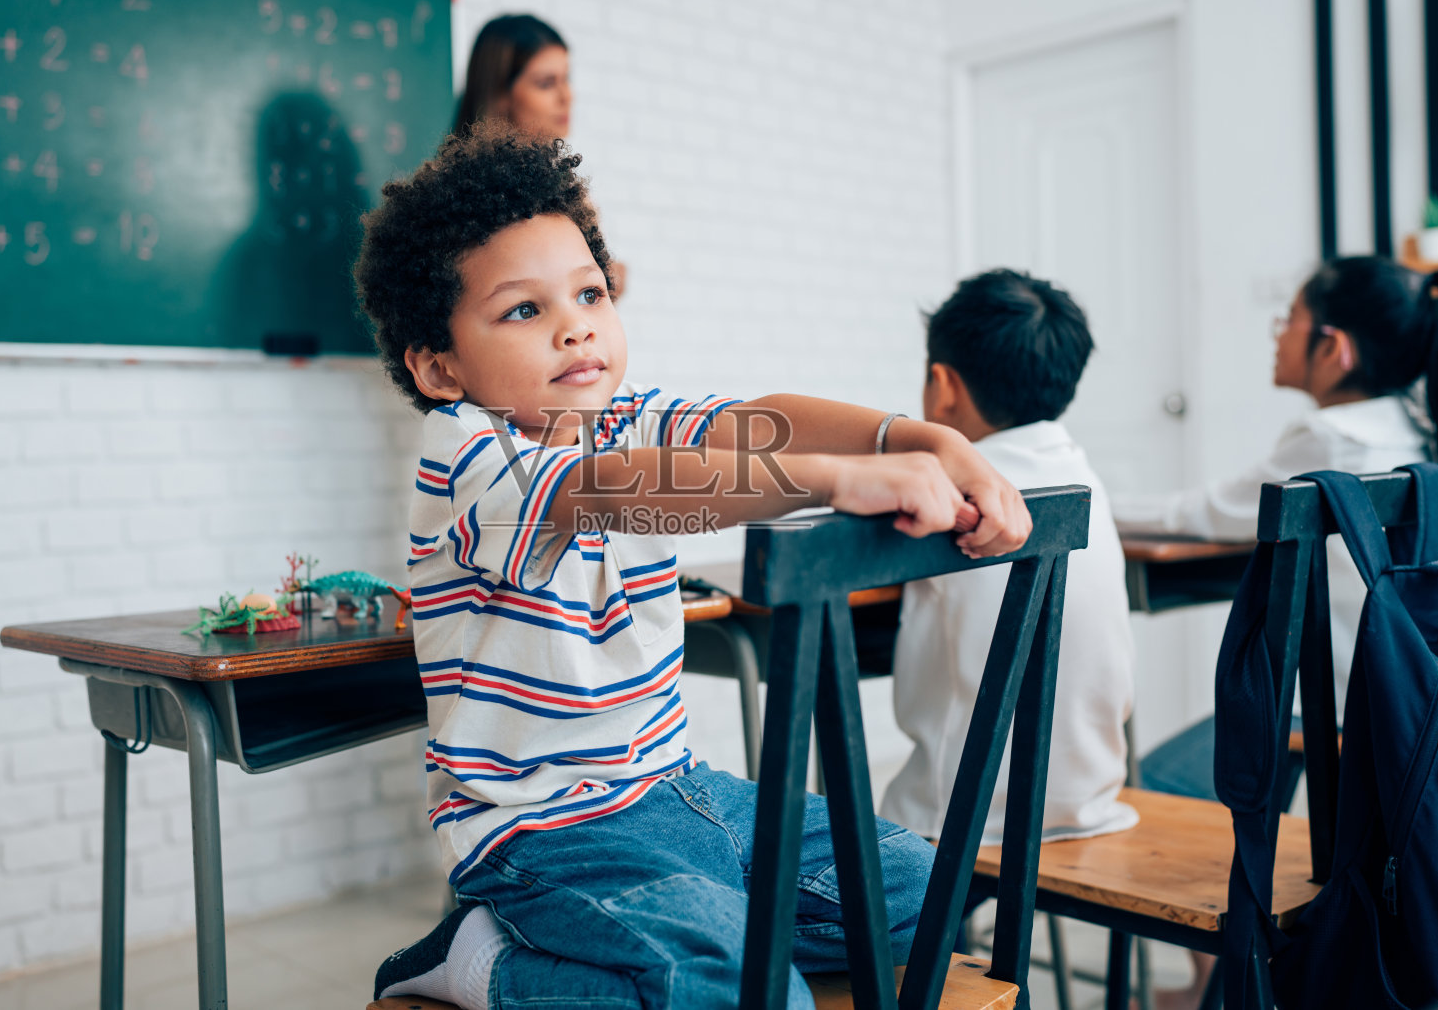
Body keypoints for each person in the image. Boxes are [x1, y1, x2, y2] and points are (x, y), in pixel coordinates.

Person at [353, 120, 1032, 1010]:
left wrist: (923, 436)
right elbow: (618, 491)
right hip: (546, 833)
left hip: (682, 790)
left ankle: (701, 923)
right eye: (525, 309)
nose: (574, 330)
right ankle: (482, 959)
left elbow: (759, 420)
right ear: (440, 366)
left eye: (590, 295)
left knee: (930, 897)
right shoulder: (468, 454)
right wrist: (836, 480)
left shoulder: (626, 412)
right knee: (742, 988)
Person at [1113, 255, 1438, 1010]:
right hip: (1410, 706)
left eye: (1286, 322)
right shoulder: (1416, 428)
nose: (1275, 338)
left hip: (1333, 714)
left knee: (1162, 780)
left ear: (1336, 347)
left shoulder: (1330, 435)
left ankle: (1218, 987)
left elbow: (1202, 513)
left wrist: (1088, 499)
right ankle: (1214, 989)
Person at [881, 270, 1138, 846]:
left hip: (958, 819)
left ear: (942, 384)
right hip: (1090, 801)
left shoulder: (943, 492)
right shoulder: (1083, 478)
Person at [454, 14, 626, 298]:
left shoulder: (561, 188)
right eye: (546, 83)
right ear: (500, 94)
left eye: (566, 79)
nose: (566, 96)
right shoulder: (476, 199)